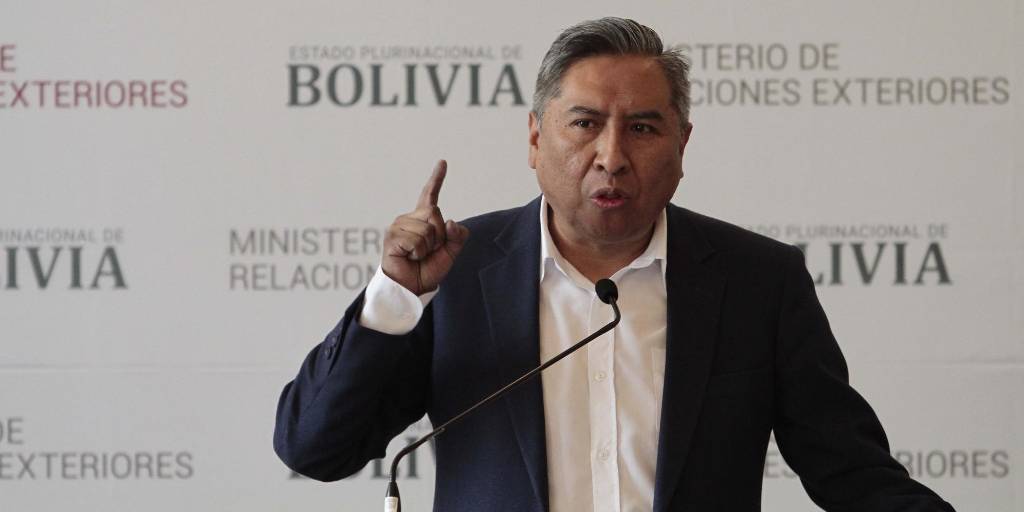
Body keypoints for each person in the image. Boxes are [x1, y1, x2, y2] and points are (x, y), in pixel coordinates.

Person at [274, 17, 955, 512]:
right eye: (584, 123)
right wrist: (395, 296)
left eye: (643, 128)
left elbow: (853, 474)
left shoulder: (757, 282)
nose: (611, 156)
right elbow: (315, 450)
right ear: (535, 138)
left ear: (683, 144)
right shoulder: (455, 273)